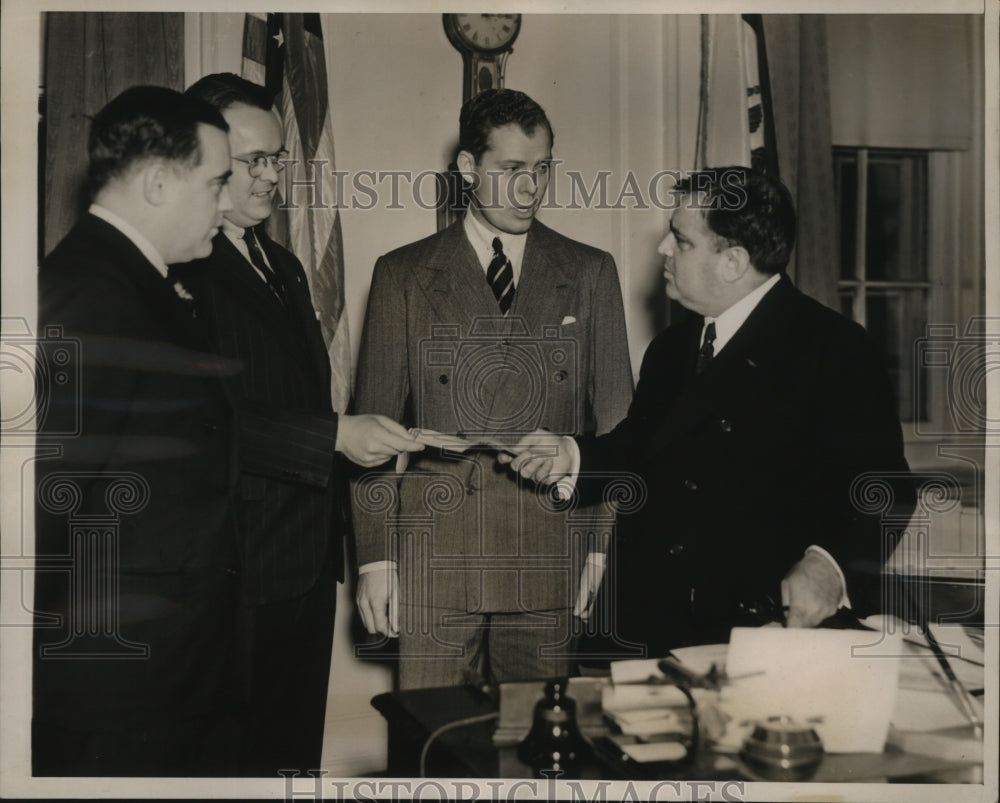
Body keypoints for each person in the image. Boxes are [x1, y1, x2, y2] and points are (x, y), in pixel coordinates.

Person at [503, 166, 915, 657]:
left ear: (733, 262)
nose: (663, 249)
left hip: (752, 629)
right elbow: (641, 450)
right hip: (646, 625)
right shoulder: (672, 347)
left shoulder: (834, 348)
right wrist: (570, 455)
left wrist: (829, 564)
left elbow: (886, 489)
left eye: (681, 240)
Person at [178, 73, 423, 776]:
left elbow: (297, 394)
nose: (271, 175)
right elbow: (205, 419)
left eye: (278, 158)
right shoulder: (183, 266)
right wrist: (336, 436)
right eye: (253, 160)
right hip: (235, 569)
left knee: (291, 765)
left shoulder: (283, 264)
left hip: (306, 562)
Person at [352, 88, 634, 689]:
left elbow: (619, 428)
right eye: (510, 170)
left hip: (548, 550)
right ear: (468, 167)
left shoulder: (589, 271)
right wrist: (375, 558)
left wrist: (601, 549)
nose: (530, 188)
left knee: (535, 735)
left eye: (542, 169)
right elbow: (370, 431)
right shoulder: (403, 273)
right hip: (433, 556)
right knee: (431, 732)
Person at [33, 85, 241, 775]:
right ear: (157, 183)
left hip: (161, 674)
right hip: (114, 690)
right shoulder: (89, 294)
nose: (226, 204)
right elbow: (39, 504)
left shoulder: (135, 283)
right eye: (216, 183)